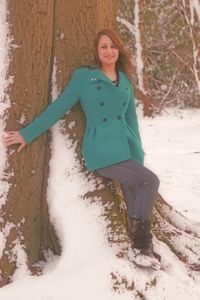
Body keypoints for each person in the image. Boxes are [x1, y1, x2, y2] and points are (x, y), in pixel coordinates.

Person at [3, 29, 160, 267]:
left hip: (127, 150)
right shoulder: (84, 78)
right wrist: (28, 133)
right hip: (101, 150)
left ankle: (143, 247)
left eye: (113, 46)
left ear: (119, 50)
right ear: (97, 52)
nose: (109, 51)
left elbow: (132, 122)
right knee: (150, 181)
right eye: (104, 47)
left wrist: (138, 156)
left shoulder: (125, 80)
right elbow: (58, 108)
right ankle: (140, 248)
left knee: (135, 193)